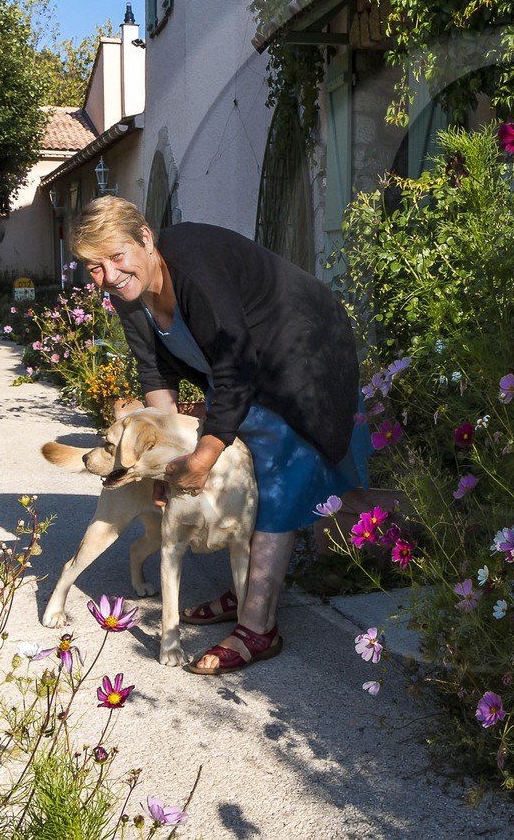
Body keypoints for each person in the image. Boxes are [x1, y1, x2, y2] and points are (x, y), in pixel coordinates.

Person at [70, 196, 369, 674]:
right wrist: (172, 458)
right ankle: (243, 587)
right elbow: (155, 374)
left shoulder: (194, 268)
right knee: (240, 468)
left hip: (302, 352)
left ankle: (259, 624)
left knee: (273, 473)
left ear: (146, 239)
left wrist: (205, 453)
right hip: (246, 371)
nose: (107, 275)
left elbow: (234, 366)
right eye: (93, 267)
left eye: (117, 257)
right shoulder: (129, 293)